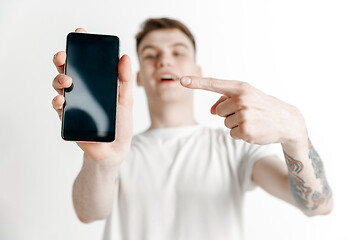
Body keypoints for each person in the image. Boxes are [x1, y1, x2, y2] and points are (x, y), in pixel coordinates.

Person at [51, 18, 333, 240]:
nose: (164, 61)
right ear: (137, 76)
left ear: (197, 70)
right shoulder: (120, 150)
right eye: (150, 55)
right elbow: (88, 213)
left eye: (178, 52)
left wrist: (296, 136)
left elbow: (317, 205)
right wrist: (101, 162)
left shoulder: (234, 145)